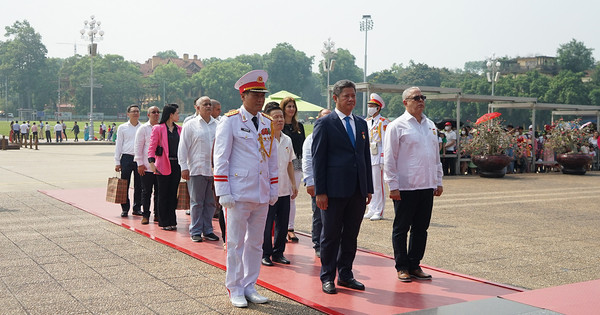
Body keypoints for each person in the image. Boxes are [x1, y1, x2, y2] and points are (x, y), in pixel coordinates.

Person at [213, 70, 278, 308]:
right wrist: (223, 191)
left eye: (262, 95)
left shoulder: (266, 122)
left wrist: (273, 188)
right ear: (243, 95)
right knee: (235, 243)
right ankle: (235, 286)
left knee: (256, 243)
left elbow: (271, 159)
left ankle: (250, 285)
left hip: (260, 192)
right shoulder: (229, 121)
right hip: (238, 193)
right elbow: (221, 158)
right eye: (255, 95)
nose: (260, 100)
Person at [312, 79, 373, 294]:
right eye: (346, 96)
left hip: (357, 189)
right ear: (335, 98)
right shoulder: (325, 123)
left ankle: (346, 274)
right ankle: (327, 276)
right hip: (333, 190)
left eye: (353, 96)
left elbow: (365, 157)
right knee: (330, 235)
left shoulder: (361, 123)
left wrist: (368, 187)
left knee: (351, 235)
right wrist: (320, 191)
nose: (351, 99)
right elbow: (318, 159)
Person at [383, 87, 444, 283]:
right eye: (415, 98)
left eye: (422, 97)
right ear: (405, 102)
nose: (420, 101)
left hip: (426, 184)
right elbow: (390, 159)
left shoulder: (430, 125)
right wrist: (392, 185)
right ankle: (402, 266)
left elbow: (436, 156)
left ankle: (414, 264)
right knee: (401, 228)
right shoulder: (397, 126)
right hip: (406, 186)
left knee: (421, 228)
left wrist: (438, 180)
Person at [261, 102, 298, 267]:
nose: (280, 120)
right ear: (268, 119)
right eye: (275, 117)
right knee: (267, 223)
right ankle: (265, 253)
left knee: (283, 224)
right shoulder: (263, 139)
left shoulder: (287, 139)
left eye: (281, 117)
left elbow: (290, 163)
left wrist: (293, 184)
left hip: (284, 189)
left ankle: (278, 253)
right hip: (268, 190)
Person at [178, 96, 219, 242]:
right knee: (196, 202)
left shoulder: (218, 125)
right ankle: (195, 231)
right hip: (196, 169)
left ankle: (208, 230)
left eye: (210, 104)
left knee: (211, 203)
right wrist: (184, 167)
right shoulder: (190, 125)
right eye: (205, 104)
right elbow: (182, 147)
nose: (208, 106)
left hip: (213, 170)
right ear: (197, 107)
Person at [302, 108, 331, 258]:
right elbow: (307, 160)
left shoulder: (337, 135)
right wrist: (310, 182)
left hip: (334, 182)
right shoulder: (311, 138)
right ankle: (318, 244)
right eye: (324, 118)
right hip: (319, 183)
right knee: (319, 214)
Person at [148, 104, 182, 231]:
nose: (179, 115)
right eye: (177, 113)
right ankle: (163, 221)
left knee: (173, 194)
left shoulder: (180, 129)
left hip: (176, 165)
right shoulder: (158, 128)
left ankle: (172, 220)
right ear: (171, 115)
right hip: (162, 165)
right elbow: (151, 147)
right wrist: (152, 163)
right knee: (163, 194)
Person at [280, 97, 305, 242]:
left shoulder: (299, 126)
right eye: (288, 106)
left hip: (296, 163)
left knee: (292, 196)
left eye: (293, 106)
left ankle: (290, 228)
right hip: (282, 162)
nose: (291, 109)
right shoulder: (279, 125)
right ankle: (280, 228)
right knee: (280, 195)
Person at [364, 93, 390, 221]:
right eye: (369, 105)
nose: (369, 108)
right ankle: (372, 208)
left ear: (378, 108)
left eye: (372, 106)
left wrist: (383, 158)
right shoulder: (367, 121)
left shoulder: (383, 122)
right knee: (371, 184)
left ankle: (379, 210)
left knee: (378, 185)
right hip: (369, 154)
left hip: (378, 153)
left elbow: (385, 140)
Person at [114, 105, 143, 217]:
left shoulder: (143, 127)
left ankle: (137, 207)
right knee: (124, 184)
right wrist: (117, 161)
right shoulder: (122, 127)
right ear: (128, 114)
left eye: (137, 111)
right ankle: (125, 208)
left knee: (139, 185)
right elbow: (118, 144)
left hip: (139, 159)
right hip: (126, 158)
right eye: (133, 111)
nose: (135, 113)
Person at [134, 106, 161, 225]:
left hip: (160, 167)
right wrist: (140, 163)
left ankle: (157, 214)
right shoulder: (143, 129)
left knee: (159, 192)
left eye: (157, 112)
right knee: (146, 192)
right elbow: (138, 147)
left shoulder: (162, 127)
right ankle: (145, 215)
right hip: (146, 166)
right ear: (148, 115)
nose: (156, 114)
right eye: (153, 112)